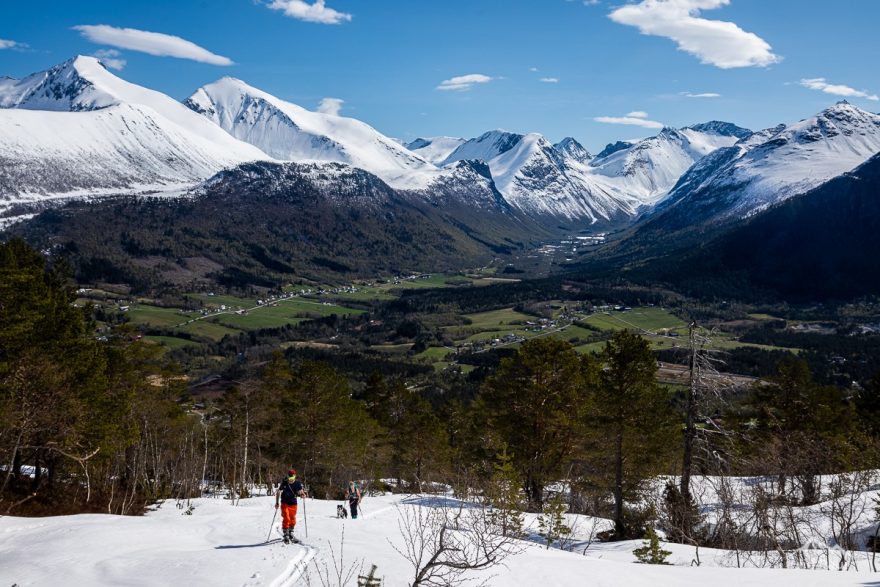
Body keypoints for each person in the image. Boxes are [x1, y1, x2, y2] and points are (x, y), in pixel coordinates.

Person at [275, 468, 305, 543]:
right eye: (289, 478)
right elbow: (278, 492)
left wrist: (302, 494)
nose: (290, 480)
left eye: (292, 478)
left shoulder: (297, 483)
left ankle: (291, 533)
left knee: (293, 519)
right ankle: (286, 534)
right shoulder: (284, 483)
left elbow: (300, 491)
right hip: (285, 503)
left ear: (294, 477)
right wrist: (277, 503)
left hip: (293, 504)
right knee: (286, 518)